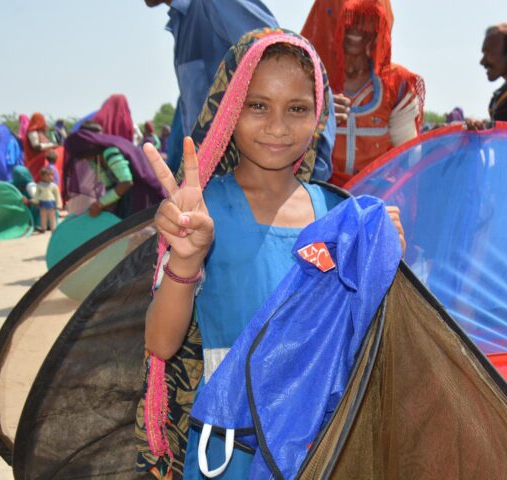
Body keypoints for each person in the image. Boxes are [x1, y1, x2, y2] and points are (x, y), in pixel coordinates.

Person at [141, 29, 405, 479]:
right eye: (258, 106)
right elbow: (161, 343)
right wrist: (184, 259)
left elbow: (366, 338)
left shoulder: (339, 215)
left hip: (320, 445)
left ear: (319, 115)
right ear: (230, 108)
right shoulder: (202, 210)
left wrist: (385, 256)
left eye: (297, 109)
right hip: (229, 447)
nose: (278, 126)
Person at [143, 0, 342, 182]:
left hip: (261, 191)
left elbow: (299, 67)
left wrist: (312, 175)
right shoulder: (183, 21)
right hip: (217, 190)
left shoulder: (219, 4)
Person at [301, 0, 426, 186]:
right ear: (330, 19)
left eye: (366, 19)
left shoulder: (397, 85)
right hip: (319, 194)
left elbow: (409, 158)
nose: (356, 28)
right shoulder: (305, 80)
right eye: (348, 18)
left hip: (377, 196)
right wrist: (317, 113)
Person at [64, 121, 165, 218]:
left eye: (83, 155)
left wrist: (100, 204)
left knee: (138, 227)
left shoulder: (110, 151)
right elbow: (109, 185)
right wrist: (106, 203)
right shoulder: (95, 159)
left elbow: (126, 182)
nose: (84, 159)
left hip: (141, 194)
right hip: (125, 196)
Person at [32, 167, 62, 232]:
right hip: (42, 203)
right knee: (43, 217)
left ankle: (53, 228)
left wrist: (59, 204)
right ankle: (43, 228)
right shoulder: (39, 185)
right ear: (42, 177)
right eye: (48, 175)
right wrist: (36, 202)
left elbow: (57, 196)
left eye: (52, 175)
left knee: (52, 217)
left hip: (51, 204)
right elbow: (37, 194)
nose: (51, 177)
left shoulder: (54, 186)